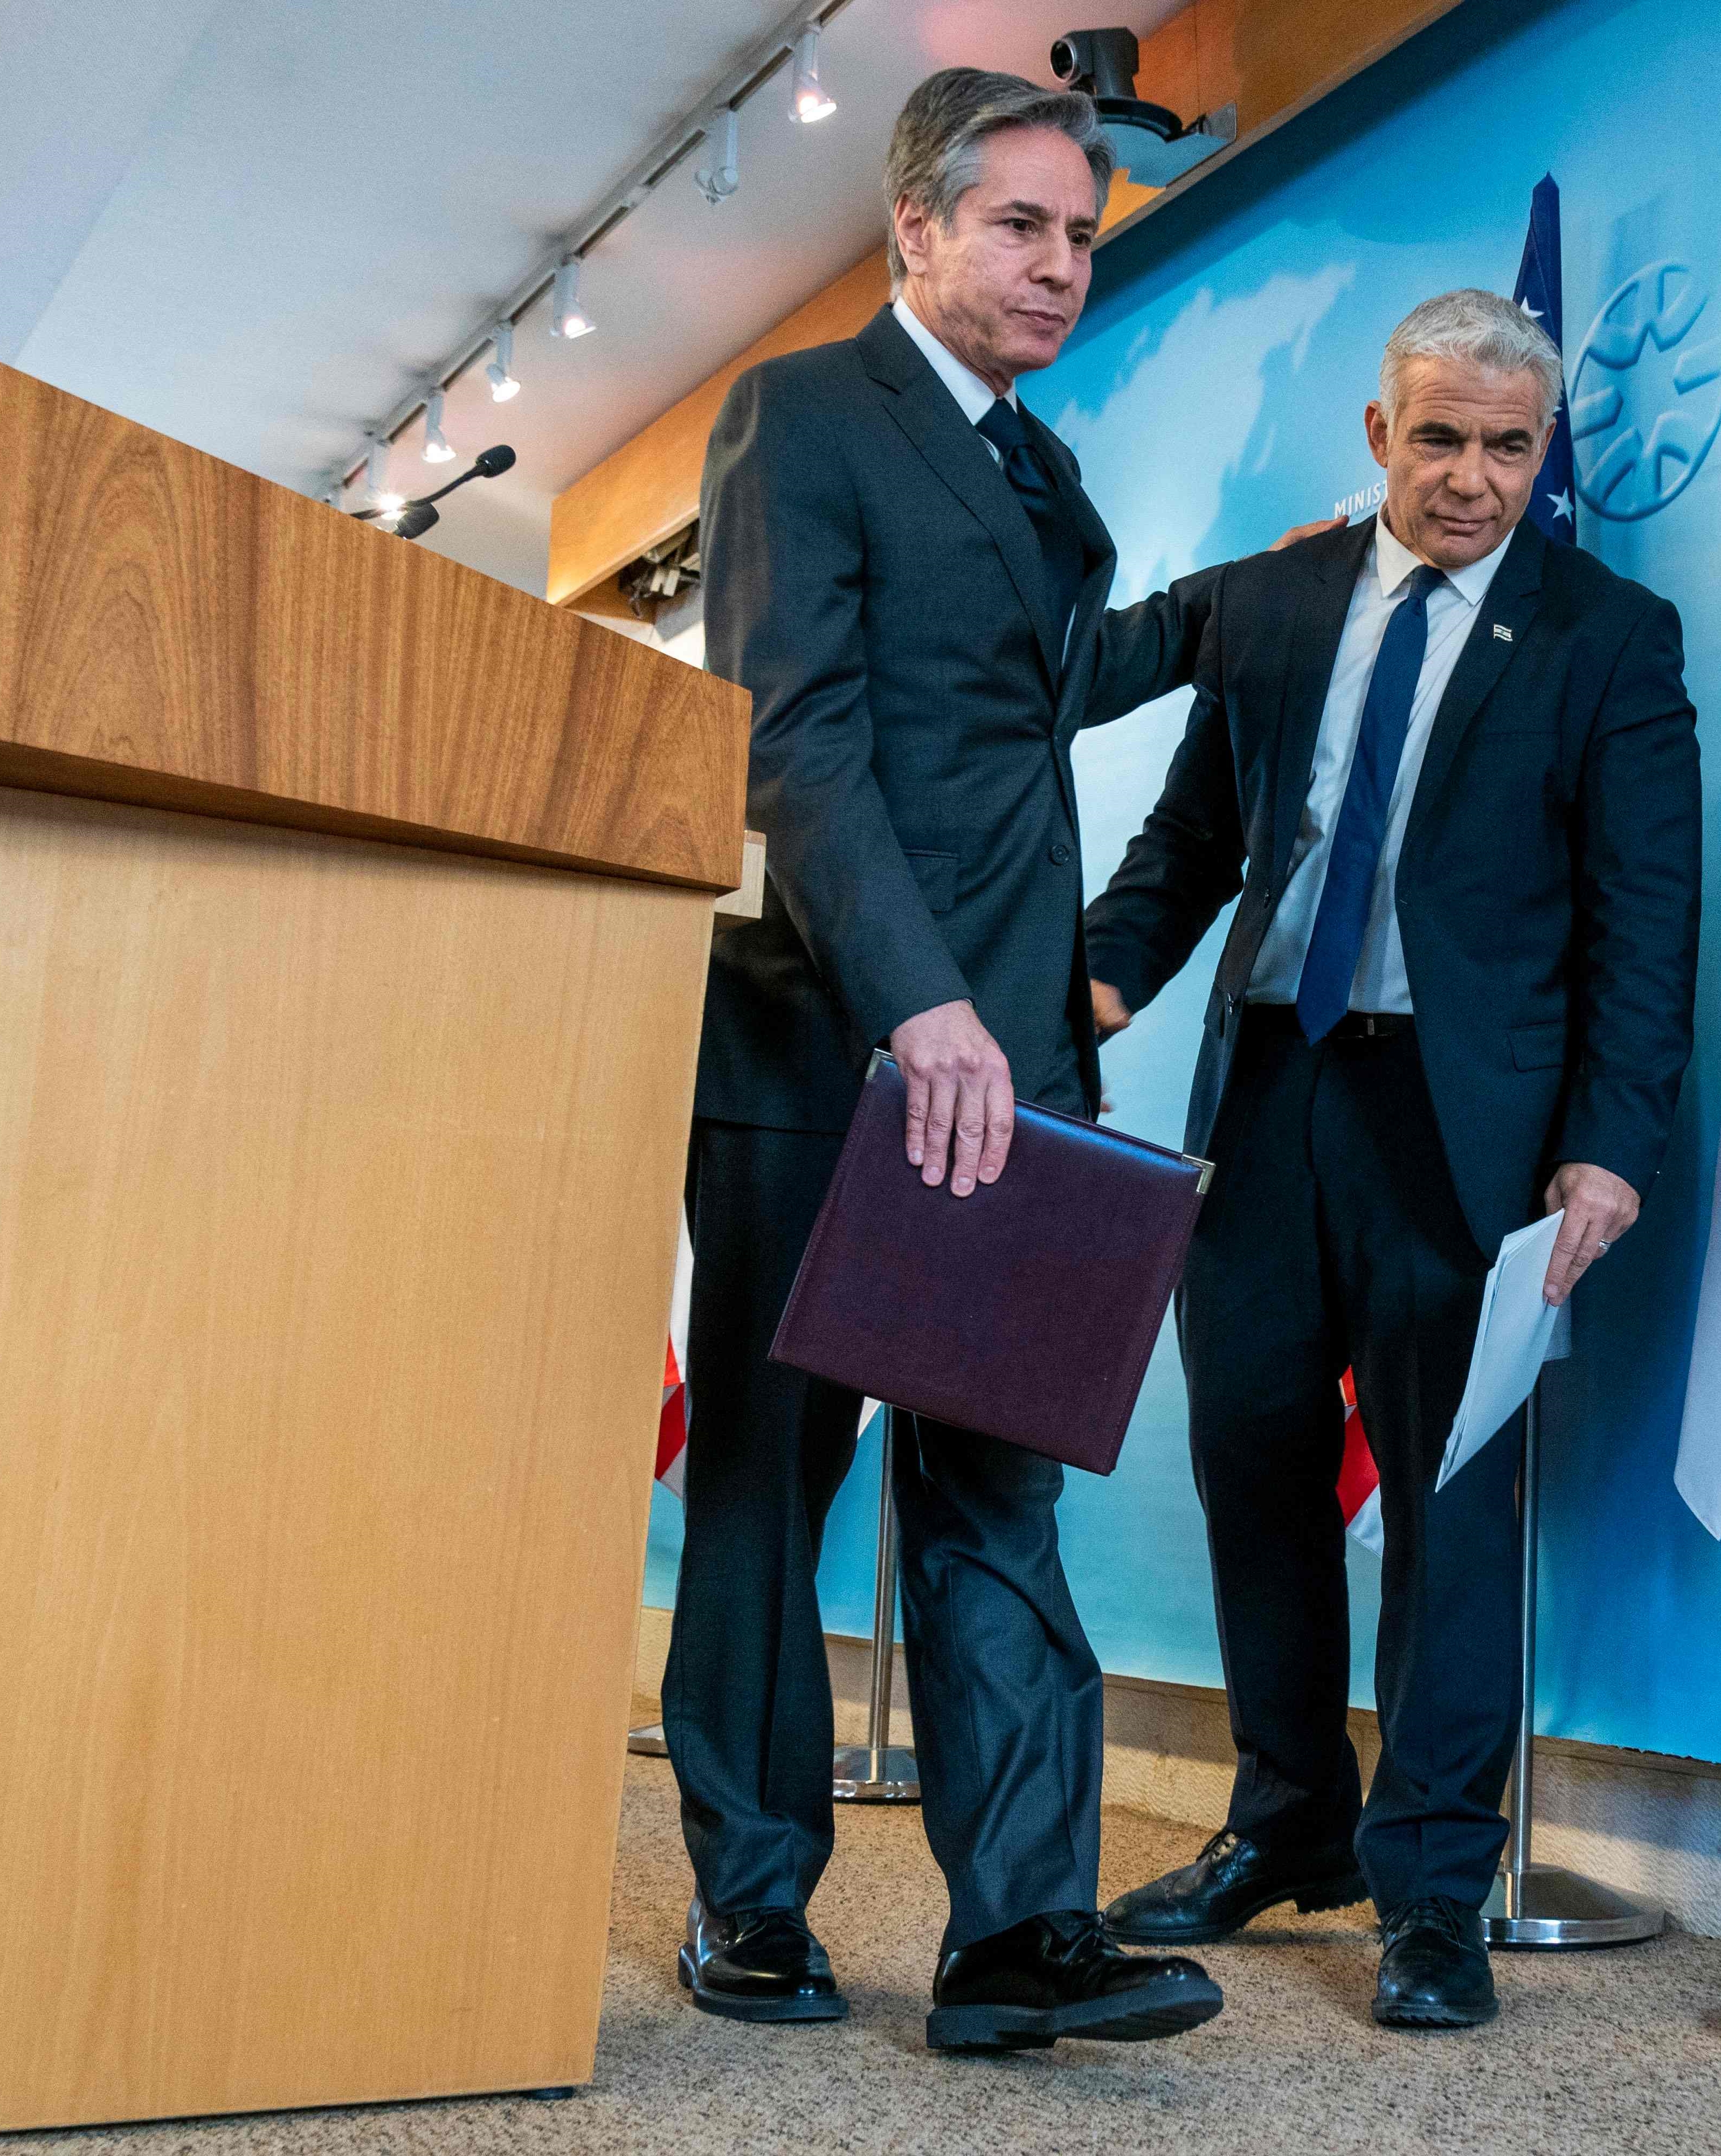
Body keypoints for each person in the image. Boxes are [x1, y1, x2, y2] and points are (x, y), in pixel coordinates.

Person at [668, 67, 1222, 2055]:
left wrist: (1247, 596)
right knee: (773, 1479)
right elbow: (794, 738)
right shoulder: (802, 416)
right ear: (915, 227)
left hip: (1016, 1071)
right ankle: (751, 1900)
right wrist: (918, 1003)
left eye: (1081, 236)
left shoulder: (1038, 470)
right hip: (829, 1043)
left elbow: (1043, 691)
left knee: (998, 1490)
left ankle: (1020, 1938)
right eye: (1021, 227)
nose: (1060, 265)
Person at [1082, 289, 1703, 2029]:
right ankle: (1288, 1821)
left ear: (1541, 450)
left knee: (1452, 1502)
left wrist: (1607, 1150)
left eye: (1509, 447)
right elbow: (1191, 845)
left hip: (1469, 1128)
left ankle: (1432, 1886)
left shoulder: (1606, 635)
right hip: (1271, 1097)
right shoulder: (1283, 606)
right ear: (1380, 434)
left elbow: (1645, 919)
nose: (1473, 478)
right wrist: (1090, 990)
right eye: (1441, 439)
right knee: (1253, 1461)